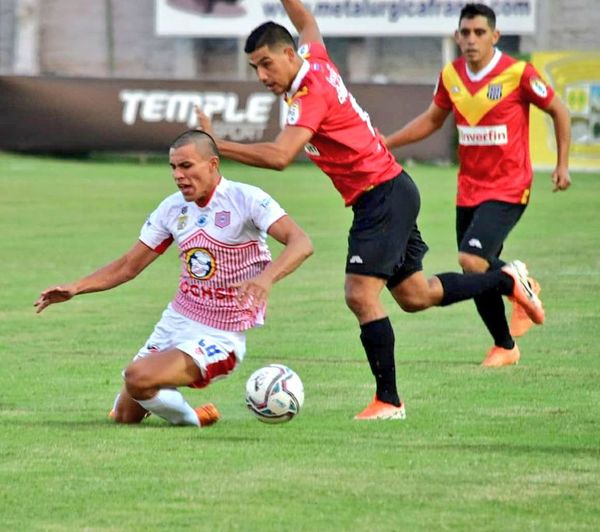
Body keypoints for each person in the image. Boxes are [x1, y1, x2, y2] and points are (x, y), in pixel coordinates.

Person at [194, 0, 545, 420]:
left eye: (267, 63)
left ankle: (389, 402)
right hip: (387, 192)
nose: (262, 76)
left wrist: (215, 147)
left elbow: (280, 155)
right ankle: (503, 281)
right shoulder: (313, 57)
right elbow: (305, 19)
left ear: (289, 55)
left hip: (382, 195)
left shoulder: (311, 92)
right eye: (254, 68)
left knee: (360, 294)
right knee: (416, 296)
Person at [34, 130, 313, 428]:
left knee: (137, 376)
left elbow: (301, 242)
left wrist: (267, 278)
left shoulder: (247, 200)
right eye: (173, 167)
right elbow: (129, 265)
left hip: (221, 334)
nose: (178, 175)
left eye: (186, 166)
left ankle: (194, 419)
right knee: (125, 416)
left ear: (213, 164)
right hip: (176, 321)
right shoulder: (172, 208)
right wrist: (76, 288)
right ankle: (175, 400)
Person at [385, 3, 571, 367]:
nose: (471, 40)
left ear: (495, 36)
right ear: (457, 36)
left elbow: (559, 111)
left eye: (479, 33)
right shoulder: (451, 75)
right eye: (465, 33)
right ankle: (505, 344)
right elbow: (432, 120)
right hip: (469, 189)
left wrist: (562, 164)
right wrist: (388, 141)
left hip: (509, 185)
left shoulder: (518, 73)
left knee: (472, 259)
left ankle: (515, 282)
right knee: (476, 270)